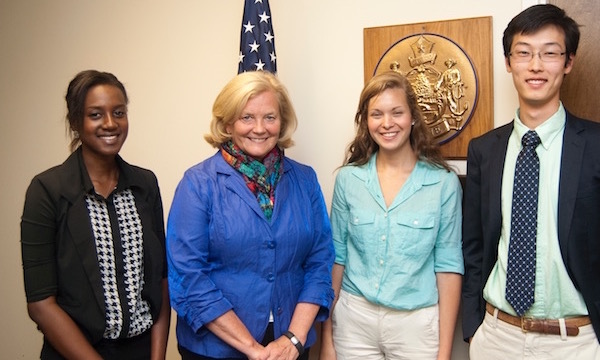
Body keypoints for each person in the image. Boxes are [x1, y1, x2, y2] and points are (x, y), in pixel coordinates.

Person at [462, 4, 600, 359]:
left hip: (577, 342)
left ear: (568, 62)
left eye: (550, 53)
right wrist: (474, 329)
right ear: (509, 62)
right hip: (497, 336)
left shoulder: (596, 145)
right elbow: (474, 246)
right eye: (523, 53)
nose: (535, 65)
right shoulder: (484, 150)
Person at [166, 70, 334, 360]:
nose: (259, 128)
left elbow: (320, 261)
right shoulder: (197, 184)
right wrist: (254, 350)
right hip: (216, 349)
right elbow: (189, 276)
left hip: (289, 345)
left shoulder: (305, 180)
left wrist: (294, 338)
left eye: (270, 117)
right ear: (228, 122)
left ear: (282, 122)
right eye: (246, 117)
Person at [21, 70, 170, 359]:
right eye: (96, 114)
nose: (111, 123)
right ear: (76, 122)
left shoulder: (145, 184)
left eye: (119, 112)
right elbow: (40, 304)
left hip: (141, 350)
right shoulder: (47, 190)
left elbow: (161, 281)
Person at [320, 71, 463, 360]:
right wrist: (327, 338)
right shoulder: (349, 180)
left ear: (413, 117)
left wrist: (444, 352)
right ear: (366, 121)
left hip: (416, 325)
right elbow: (336, 257)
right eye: (377, 114)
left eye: (397, 112)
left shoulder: (443, 183)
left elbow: (448, 267)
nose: (387, 123)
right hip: (353, 321)